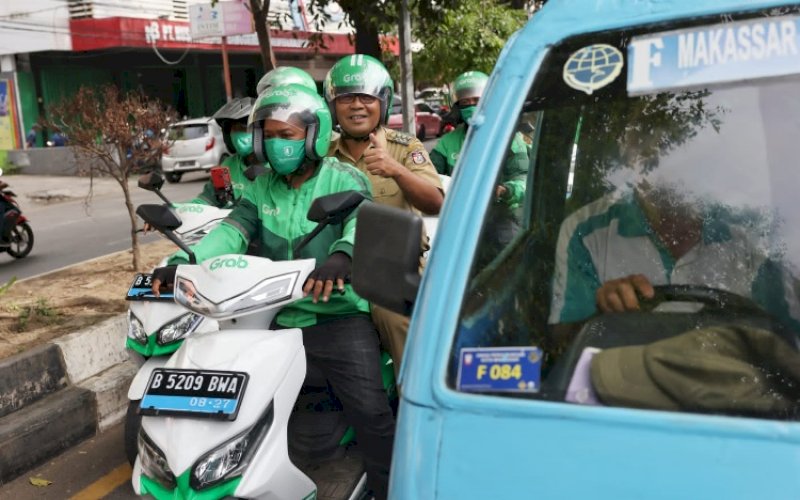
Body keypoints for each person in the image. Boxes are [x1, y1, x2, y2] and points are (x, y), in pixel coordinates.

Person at [150, 83, 394, 499]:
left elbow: (360, 219)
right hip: (274, 315)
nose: (277, 144)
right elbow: (231, 231)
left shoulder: (343, 176)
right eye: (269, 135)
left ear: (313, 136)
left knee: (371, 411)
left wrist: (343, 255)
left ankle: (392, 487)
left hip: (336, 315)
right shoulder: (260, 187)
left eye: (288, 135)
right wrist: (183, 265)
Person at [323, 54, 444, 373]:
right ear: (333, 106)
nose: (356, 105)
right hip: (334, 265)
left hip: (393, 267)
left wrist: (396, 171)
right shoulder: (321, 153)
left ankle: (414, 400)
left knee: (392, 315)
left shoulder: (404, 147)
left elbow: (436, 203)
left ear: (383, 102)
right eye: (346, 97)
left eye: (366, 97)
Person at [432, 71, 528, 267]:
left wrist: (505, 190)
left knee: (506, 271)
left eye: (476, 100)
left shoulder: (510, 138)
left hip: (504, 218)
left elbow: (524, 179)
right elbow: (428, 177)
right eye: (465, 102)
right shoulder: (447, 143)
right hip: (461, 221)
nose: (471, 106)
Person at [185, 97, 257, 207]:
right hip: (229, 222)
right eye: (235, 129)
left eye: (245, 129)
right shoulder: (227, 166)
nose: (239, 134)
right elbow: (210, 199)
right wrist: (182, 211)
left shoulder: (274, 169)